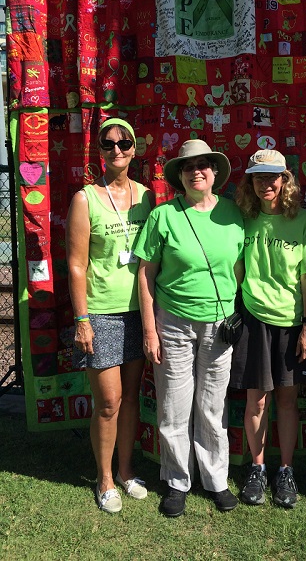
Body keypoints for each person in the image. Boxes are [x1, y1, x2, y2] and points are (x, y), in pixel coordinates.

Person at [134, 140, 245, 517]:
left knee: (213, 406)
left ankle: (216, 480)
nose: (196, 171)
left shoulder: (233, 214)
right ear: (179, 176)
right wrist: (150, 331)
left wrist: (231, 309)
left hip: (219, 324)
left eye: (203, 165)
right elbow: (145, 274)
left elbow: (239, 268)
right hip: (173, 324)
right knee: (174, 407)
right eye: (188, 167)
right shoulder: (162, 216)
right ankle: (177, 481)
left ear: (215, 172)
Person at [67, 117, 154, 513]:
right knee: (108, 401)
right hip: (101, 313)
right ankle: (103, 480)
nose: (117, 149)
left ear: (135, 148)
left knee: (131, 397)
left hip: (140, 311)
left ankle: (125, 470)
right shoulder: (85, 198)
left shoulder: (147, 196)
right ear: (99, 150)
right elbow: (76, 265)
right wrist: (82, 320)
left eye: (124, 142)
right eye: (108, 143)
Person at [230, 149, 306, 508]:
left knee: (286, 399)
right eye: (258, 177)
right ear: (250, 182)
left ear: (285, 179)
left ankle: (285, 469)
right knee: (256, 400)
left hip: (290, 322)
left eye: (272, 176)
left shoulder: (303, 220)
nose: (266, 183)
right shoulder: (242, 218)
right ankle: (258, 468)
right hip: (253, 320)